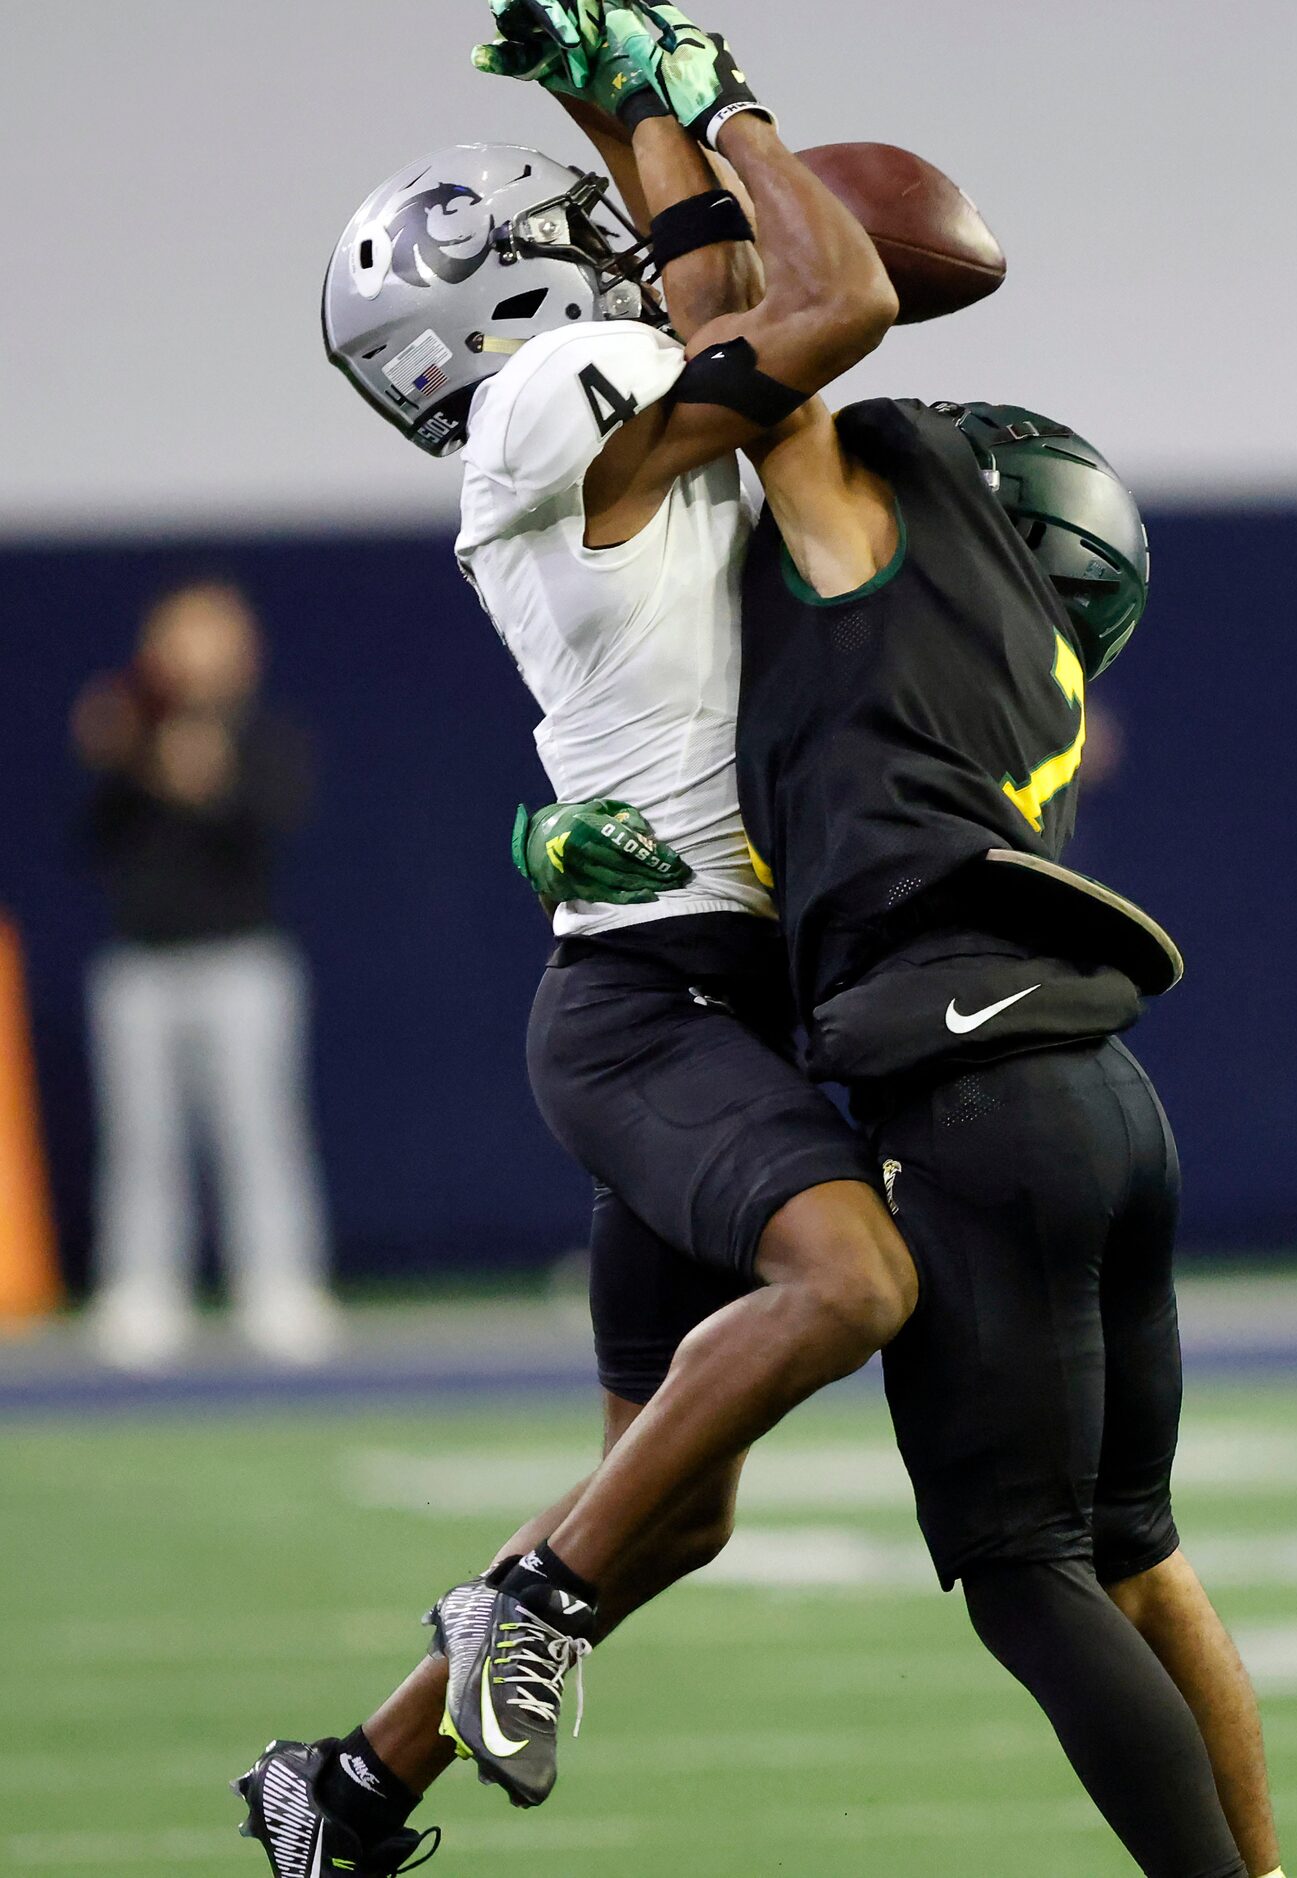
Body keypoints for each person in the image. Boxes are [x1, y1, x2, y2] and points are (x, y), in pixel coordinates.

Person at [502, 14, 1291, 1878]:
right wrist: (615, 114)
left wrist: (685, 101)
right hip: (1107, 1100)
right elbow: (732, 322)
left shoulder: (866, 517)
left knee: (1022, 1575)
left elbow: (778, 310)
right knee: (1133, 1549)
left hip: (974, 1097)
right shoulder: (1020, 645)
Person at [233, 10, 917, 1873]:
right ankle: (513, 1599)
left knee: (670, 1503)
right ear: (500, 303)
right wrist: (705, 100)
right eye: (557, 239)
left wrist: (605, 98)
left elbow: (709, 289)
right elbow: (829, 299)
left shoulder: (576, 403)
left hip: (695, 982)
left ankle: (347, 1782)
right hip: (657, 1001)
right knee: (853, 1287)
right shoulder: (552, 400)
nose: (603, 251)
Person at [74, 579, 338, 1371]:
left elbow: (270, 824)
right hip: (140, 963)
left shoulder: (264, 735)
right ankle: (141, 1290)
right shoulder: (126, 731)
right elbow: (91, 839)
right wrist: (122, 758)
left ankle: (280, 1287)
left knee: (261, 1131)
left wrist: (211, 781)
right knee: (141, 1137)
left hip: (242, 960)